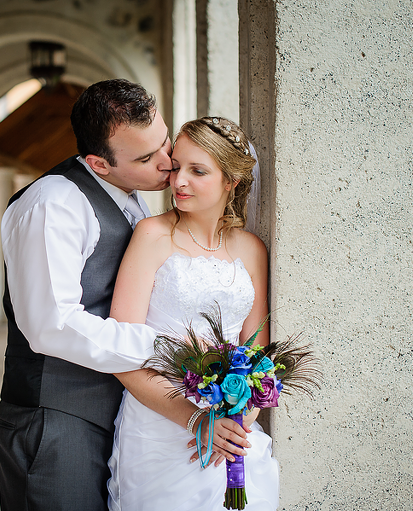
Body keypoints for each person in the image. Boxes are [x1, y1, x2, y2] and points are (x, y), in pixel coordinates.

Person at [0, 79, 179, 510]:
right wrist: (164, 349)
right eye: (147, 157)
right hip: (54, 420)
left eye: (164, 143)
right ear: (98, 164)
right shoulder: (52, 204)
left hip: (112, 413)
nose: (167, 163)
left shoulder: (132, 196)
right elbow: (51, 325)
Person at [107, 117, 279, 510]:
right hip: (160, 425)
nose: (178, 181)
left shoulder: (252, 249)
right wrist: (196, 421)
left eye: (197, 171)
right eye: (176, 167)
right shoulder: (151, 235)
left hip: (231, 431)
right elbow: (119, 352)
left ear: (231, 181)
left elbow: (259, 358)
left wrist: (237, 423)